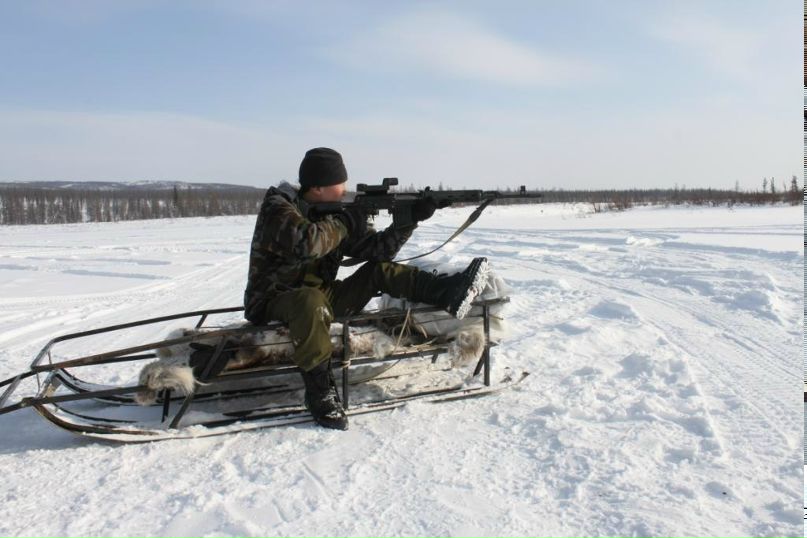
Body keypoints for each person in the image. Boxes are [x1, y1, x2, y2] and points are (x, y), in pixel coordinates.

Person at [243, 147, 488, 430]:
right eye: (340, 184)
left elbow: (378, 251)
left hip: (322, 299)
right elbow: (308, 244)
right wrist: (345, 222)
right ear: (318, 187)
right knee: (308, 299)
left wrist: (408, 220)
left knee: (377, 271)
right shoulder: (278, 208)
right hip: (273, 301)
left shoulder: (334, 213)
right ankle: (319, 392)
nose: (344, 190)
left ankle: (447, 292)